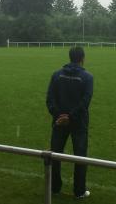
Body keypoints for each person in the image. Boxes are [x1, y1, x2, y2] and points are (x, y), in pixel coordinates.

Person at [46, 47, 93, 199]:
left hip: (59, 121)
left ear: (70, 57)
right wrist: (71, 117)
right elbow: (85, 102)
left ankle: (54, 187)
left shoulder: (56, 75)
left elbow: (50, 99)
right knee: (80, 156)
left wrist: (59, 116)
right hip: (78, 122)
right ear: (82, 58)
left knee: (55, 153)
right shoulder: (87, 77)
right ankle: (79, 191)